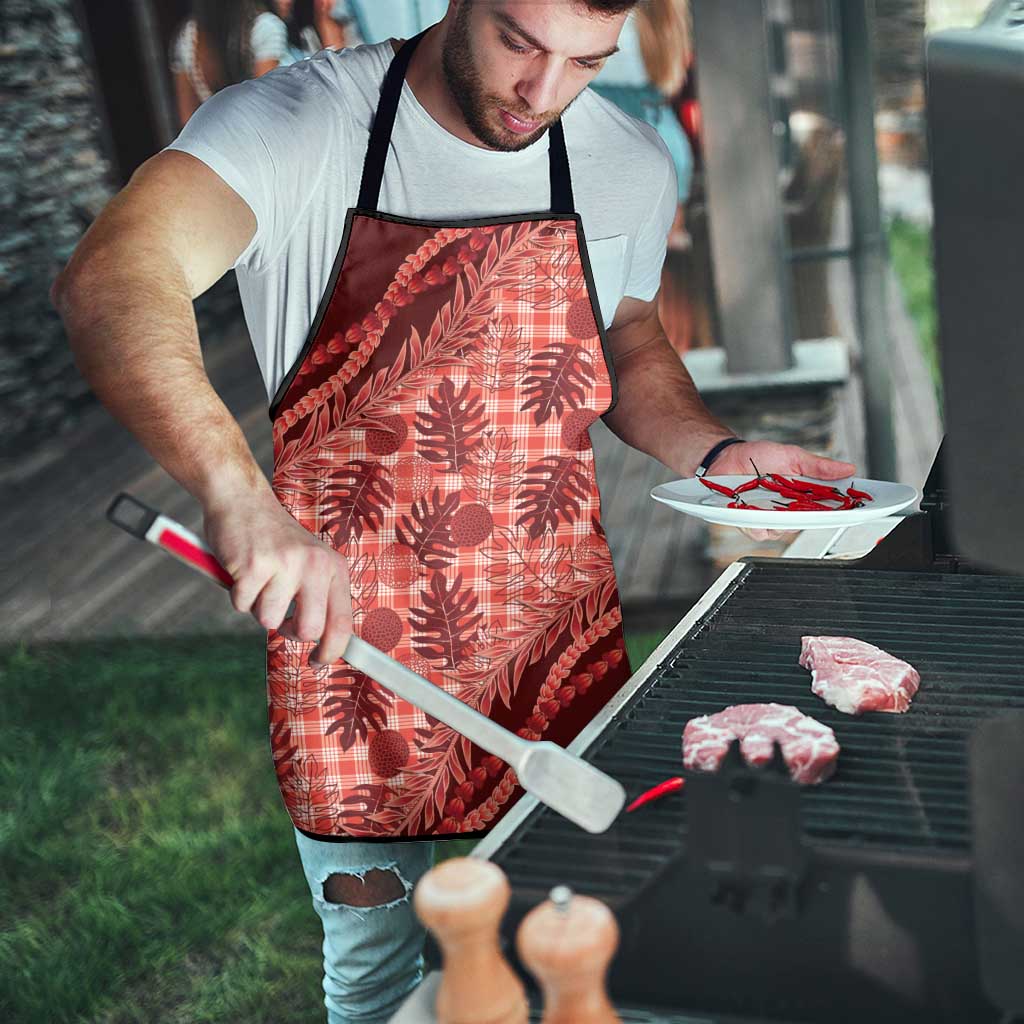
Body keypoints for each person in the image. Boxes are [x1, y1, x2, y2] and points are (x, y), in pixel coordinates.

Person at [52, 2, 856, 1020]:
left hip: (552, 635)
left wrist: (717, 449)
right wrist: (236, 495)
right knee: (381, 977)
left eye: (585, 62)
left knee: (586, 946)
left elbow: (630, 336)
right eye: (521, 42)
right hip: (354, 660)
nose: (543, 93)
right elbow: (113, 275)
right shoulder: (298, 124)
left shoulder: (624, 159)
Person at [169, 0, 289, 127]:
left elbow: (187, 120)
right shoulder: (266, 27)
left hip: (215, 140)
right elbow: (266, 107)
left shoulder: (188, 37)